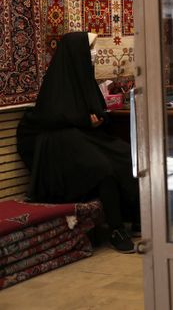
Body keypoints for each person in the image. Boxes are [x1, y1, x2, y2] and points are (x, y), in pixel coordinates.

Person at [16, 32, 140, 253]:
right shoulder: (57, 82)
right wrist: (85, 121)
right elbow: (53, 117)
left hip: (84, 139)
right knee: (103, 169)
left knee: (126, 154)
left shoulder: (84, 77)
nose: (93, 55)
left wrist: (98, 119)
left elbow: (98, 111)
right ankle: (116, 230)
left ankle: (136, 215)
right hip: (60, 145)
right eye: (89, 49)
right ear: (77, 53)